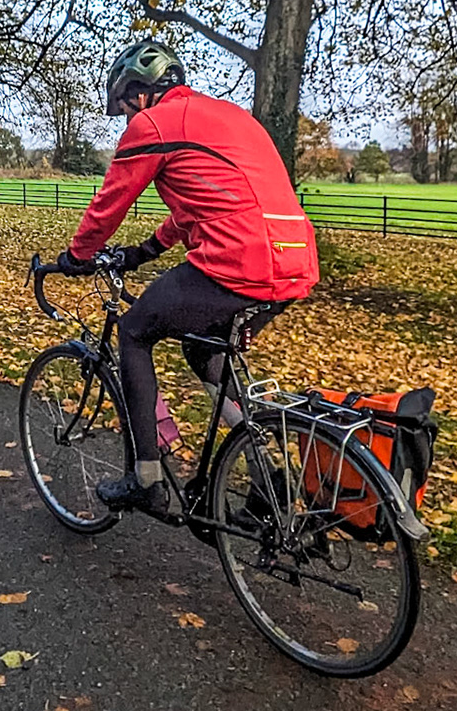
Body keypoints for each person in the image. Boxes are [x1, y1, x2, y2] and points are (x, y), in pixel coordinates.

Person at [55, 39, 319, 517]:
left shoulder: (152, 124)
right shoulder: (228, 116)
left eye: (123, 108)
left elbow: (110, 203)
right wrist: (144, 252)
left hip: (240, 261)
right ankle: (268, 481)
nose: (126, 120)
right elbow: (203, 205)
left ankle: (146, 479)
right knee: (204, 350)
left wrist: (78, 256)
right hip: (294, 260)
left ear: (139, 93)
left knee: (134, 331)